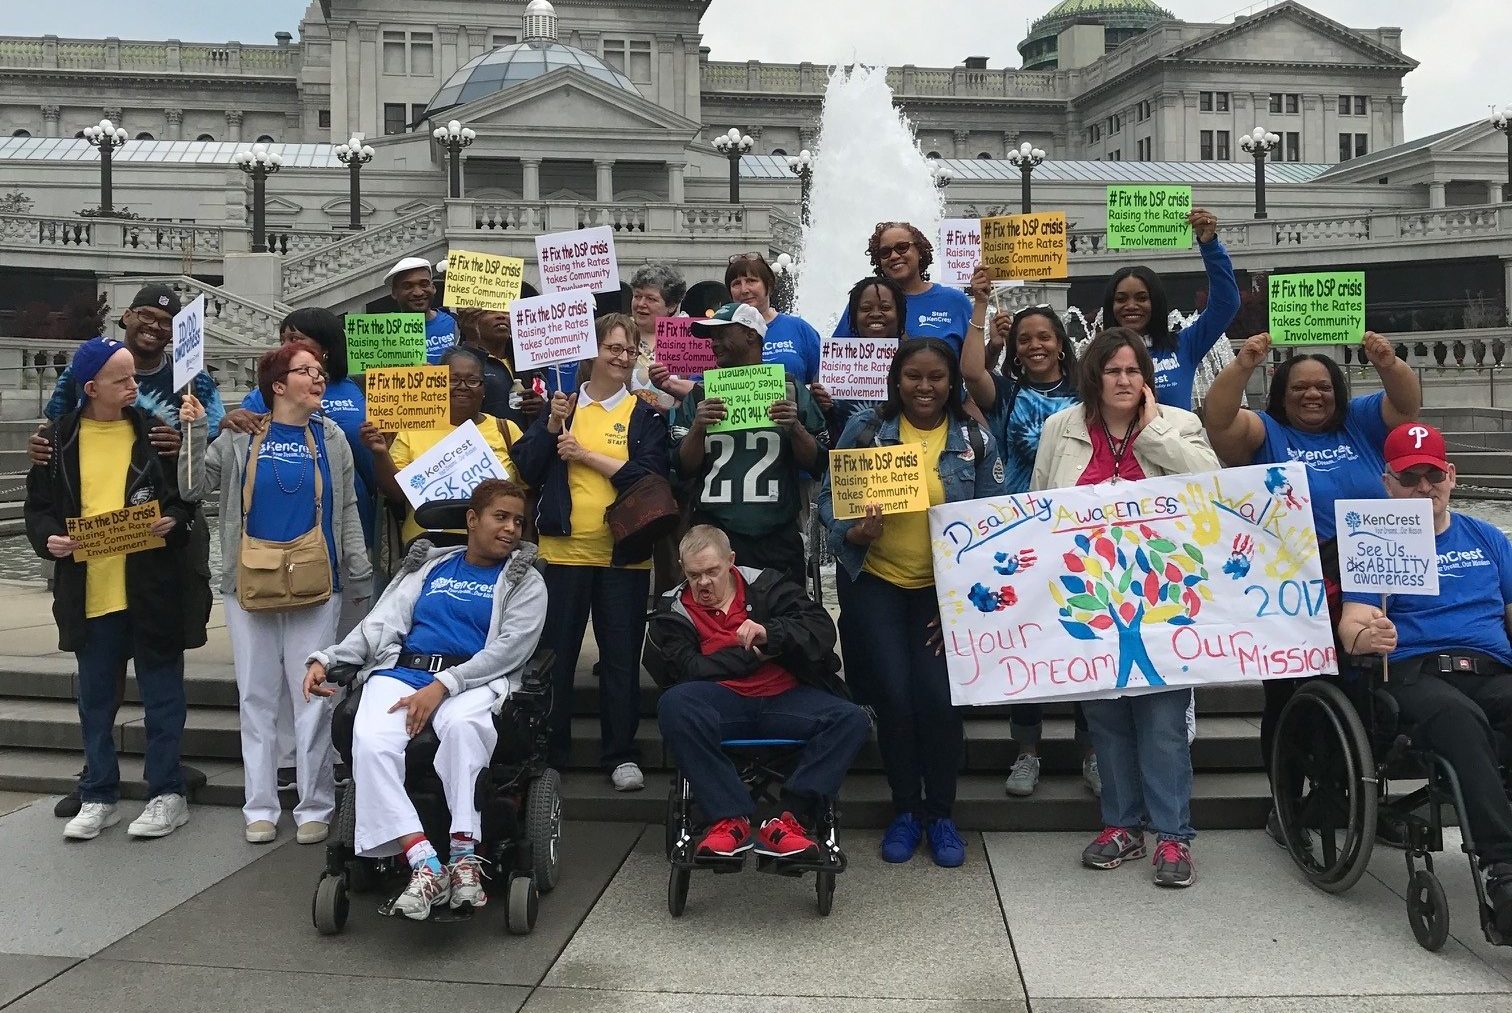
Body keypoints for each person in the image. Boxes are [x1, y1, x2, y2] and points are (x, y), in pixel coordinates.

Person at [303, 479, 547, 920]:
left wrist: (444, 686)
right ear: (472, 520)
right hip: (404, 672)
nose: (511, 528)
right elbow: (379, 625)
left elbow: (511, 648)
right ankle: (424, 862)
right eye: (500, 517)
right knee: (371, 739)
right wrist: (328, 659)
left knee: (463, 726)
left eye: (518, 521)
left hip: (473, 679)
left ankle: (463, 855)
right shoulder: (429, 567)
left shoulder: (523, 581)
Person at [1202, 330, 1420, 818]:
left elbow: (1407, 404)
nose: (1312, 394)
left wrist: (1387, 361)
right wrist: (1242, 365)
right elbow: (1217, 419)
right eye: (1299, 387)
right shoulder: (1265, 431)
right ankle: (1287, 802)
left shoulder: (1361, 424)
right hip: (1296, 584)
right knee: (1289, 697)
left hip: (1371, 576)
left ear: (1337, 392)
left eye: (1322, 385)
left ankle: (1354, 799)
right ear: (1280, 395)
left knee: (1366, 692)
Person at [1032, 328, 1220, 888]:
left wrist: (1152, 438)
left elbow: (1216, 488)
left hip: (1161, 600)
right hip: (1090, 599)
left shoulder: (1178, 424)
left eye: (1133, 371)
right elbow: (1041, 505)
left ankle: (1173, 836)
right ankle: (1121, 826)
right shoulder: (1059, 429)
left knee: (1162, 722)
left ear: (1147, 378)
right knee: (1107, 722)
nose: (1123, 380)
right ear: (1094, 374)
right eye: (1112, 370)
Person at [31, 284, 221, 820]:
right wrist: (47, 535)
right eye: (147, 315)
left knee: (163, 688)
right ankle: (97, 787)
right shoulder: (65, 432)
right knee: (96, 695)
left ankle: (166, 787)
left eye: (167, 319)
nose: (133, 387)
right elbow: (41, 499)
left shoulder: (169, 416)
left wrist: (189, 439)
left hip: (155, 577)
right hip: (90, 586)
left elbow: (192, 491)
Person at [819, 338, 1005, 868]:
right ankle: (905, 809)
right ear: (896, 381)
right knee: (895, 698)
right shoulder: (867, 430)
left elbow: (994, 529)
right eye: (914, 377)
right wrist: (854, 532)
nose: (925, 388)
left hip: (945, 592)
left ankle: (941, 813)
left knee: (939, 699)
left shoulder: (974, 438)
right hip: (876, 582)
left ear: (952, 384)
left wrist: (966, 608)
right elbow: (829, 505)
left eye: (936, 378)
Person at [178, 340, 372, 845]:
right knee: (258, 697)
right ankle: (260, 805)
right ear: (278, 386)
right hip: (249, 584)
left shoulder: (331, 438)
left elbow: (347, 507)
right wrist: (196, 428)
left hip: (316, 583)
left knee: (312, 697)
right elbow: (192, 489)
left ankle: (316, 803)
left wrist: (359, 571)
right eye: (305, 370)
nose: (318, 377)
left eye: (320, 369)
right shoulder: (242, 436)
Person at [1337, 423, 1512, 935]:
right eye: (1409, 478)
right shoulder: (1376, 538)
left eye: (1432, 476)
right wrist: (1367, 637)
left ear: (1450, 476)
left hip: (1487, 665)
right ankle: (1502, 866)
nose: (1423, 488)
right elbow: (1351, 622)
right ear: (1387, 482)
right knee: (1458, 717)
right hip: (1414, 669)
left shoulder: (1487, 537)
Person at [510, 313, 670, 792]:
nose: (622, 358)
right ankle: (553, 753)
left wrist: (585, 456)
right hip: (562, 555)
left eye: (629, 350)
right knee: (555, 656)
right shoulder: (562, 407)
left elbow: (649, 476)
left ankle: (619, 752)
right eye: (612, 348)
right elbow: (528, 470)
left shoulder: (644, 414)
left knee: (620, 657)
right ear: (591, 350)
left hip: (623, 557)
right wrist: (550, 425)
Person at [646, 525, 869, 860]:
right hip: (721, 704)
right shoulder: (672, 609)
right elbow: (689, 670)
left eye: (712, 572)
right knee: (674, 705)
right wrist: (754, 656)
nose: (704, 583)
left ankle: (788, 818)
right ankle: (728, 817)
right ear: (682, 569)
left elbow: (821, 629)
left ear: (730, 561)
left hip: (784, 698)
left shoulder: (766, 585)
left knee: (853, 719)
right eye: (694, 575)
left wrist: (770, 633)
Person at [963, 267, 1094, 798]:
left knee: (1087, 642)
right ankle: (1026, 750)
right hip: (1021, 533)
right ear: (1014, 348)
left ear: (1062, 344)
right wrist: (979, 305)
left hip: (1083, 532)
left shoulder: (1091, 389)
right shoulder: (1009, 393)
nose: (1035, 345)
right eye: (1025, 339)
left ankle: (1093, 751)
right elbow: (971, 371)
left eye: (1044, 337)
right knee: (1028, 640)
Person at [670, 302, 827, 589]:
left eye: (721, 334)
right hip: (714, 531)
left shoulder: (789, 387)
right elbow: (681, 467)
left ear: (751, 335)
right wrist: (698, 428)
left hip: (776, 531)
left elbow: (819, 463)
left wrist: (795, 428)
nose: (713, 344)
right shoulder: (701, 393)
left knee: (783, 622)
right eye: (710, 337)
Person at [364, 346, 523, 550]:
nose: (463, 386)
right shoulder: (412, 430)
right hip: (426, 551)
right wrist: (380, 453)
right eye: (452, 379)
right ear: (437, 384)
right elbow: (396, 493)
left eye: (473, 380)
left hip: (496, 550)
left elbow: (526, 494)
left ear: (483, 390)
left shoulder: (506, 431)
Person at [1099, 208, 1238, 410]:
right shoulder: (1097, 354)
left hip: (1174, 441)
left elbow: (1226, 304)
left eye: (1142, 298)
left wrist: (1210, 246)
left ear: (1156, 303)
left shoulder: (1184, 345)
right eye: (1121, 299)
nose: (1130, 306)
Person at [831, 223, 973, 357]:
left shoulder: (955, 301)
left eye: (902, 247)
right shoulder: (863, 302)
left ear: (920, 251)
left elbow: (978, 369)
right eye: (885, 252)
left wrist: (994, 346)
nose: (893, 256)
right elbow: (836, 362)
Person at [810, 275, 907, 445]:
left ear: (899, 313)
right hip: (848, 461)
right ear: (854, 316)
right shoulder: (834, 362)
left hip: (902, 461)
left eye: (885, 307)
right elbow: (818, 426)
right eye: (866, 308)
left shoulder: (915, 357)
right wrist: (818, 404)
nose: (876, 314)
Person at [725, 253, 822, 384]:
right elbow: (701, 382)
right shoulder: (721, 333)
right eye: (736, 283)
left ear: (769, 285)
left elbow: (823, 378)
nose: (744, 290)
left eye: (751, 281)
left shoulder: (799, 328)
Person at [455, 306, 546, 429]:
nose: (501, 316)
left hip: (527, 444)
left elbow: (549, 400)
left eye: (505, 311)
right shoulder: (455, 358)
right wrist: (472, 340)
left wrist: (542, 406)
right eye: (490, 312)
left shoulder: (525, 357)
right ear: (472, 319)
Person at [628, 263, 689, 408]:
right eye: (637, 296)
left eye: (651, 299)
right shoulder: (620, 334)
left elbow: (699, 389)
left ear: (671, 306)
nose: (641, 304)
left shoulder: (686, 337)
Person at [384, 257, 458, 363]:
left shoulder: (455, 324)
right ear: (394, 293)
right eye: (407, 286)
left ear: (433, 287)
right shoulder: (384, 331)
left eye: (424, 284)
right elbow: (355, 378)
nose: (418, 293)